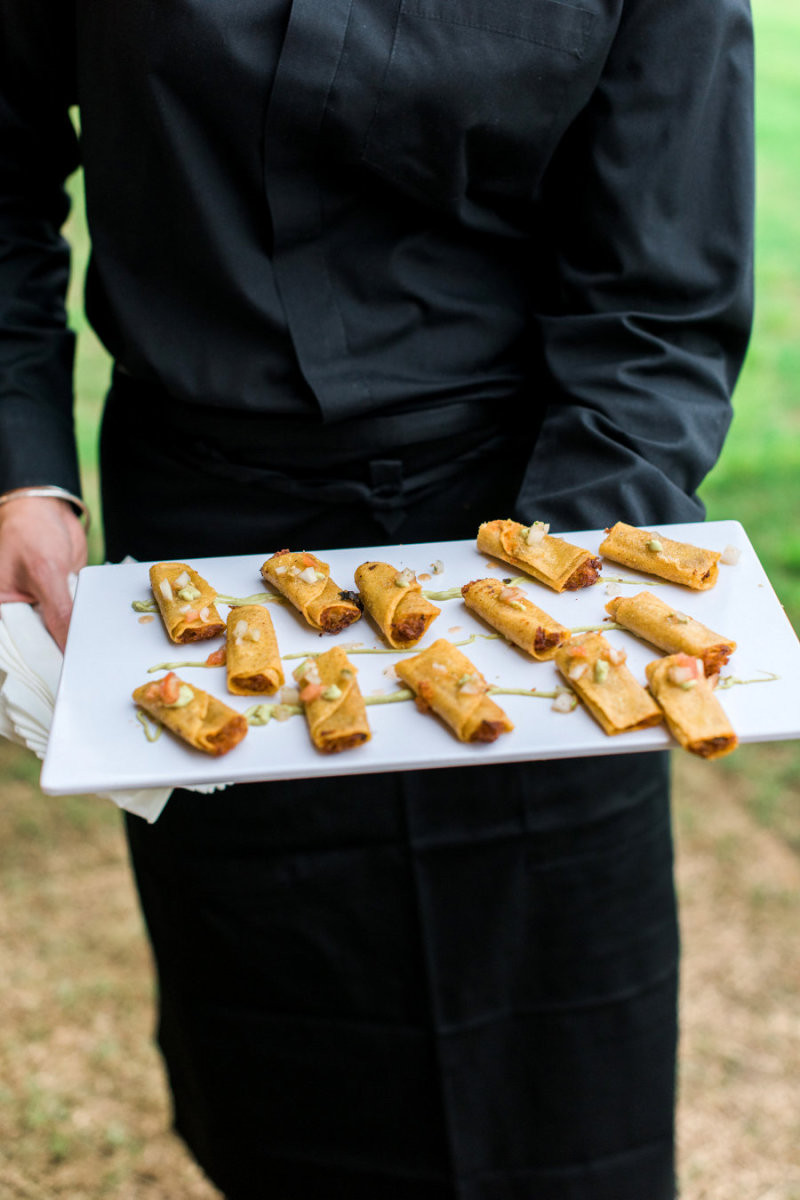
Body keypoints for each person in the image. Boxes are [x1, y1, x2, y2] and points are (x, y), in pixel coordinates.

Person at [0, 1, 754, 1196]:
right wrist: (22, 469)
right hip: (209, 529)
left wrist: (551, 578)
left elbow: (654, 290)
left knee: (556, 1090)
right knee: (284, 1065)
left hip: (534, 514)